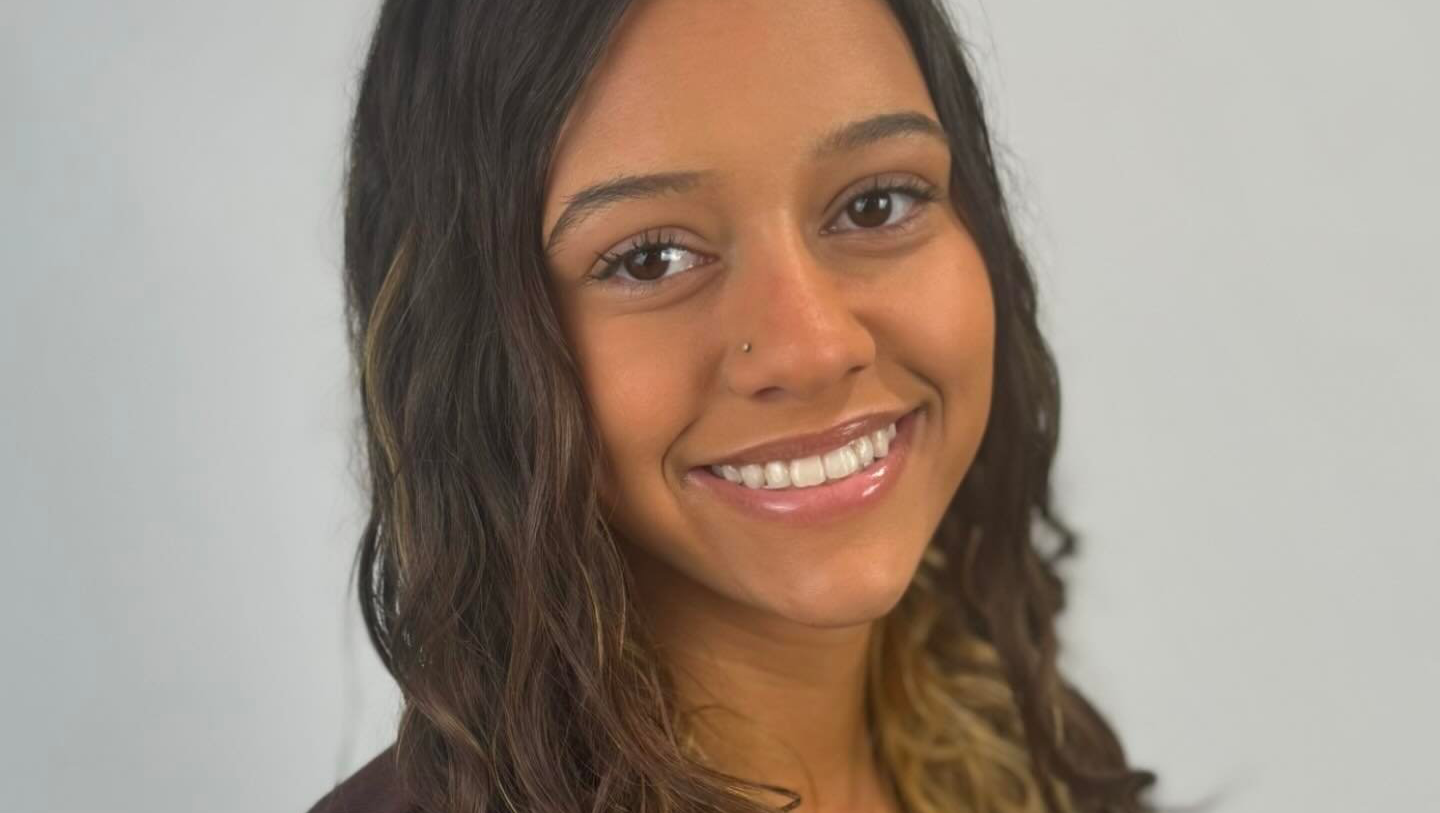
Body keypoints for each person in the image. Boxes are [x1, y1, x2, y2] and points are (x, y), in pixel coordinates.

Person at [308, 1, 1161, 811]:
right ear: (468, 345)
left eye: (876, 205)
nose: (813, 349)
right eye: (649, 259)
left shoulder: (1037, 753)